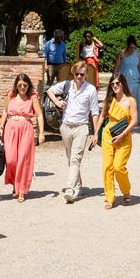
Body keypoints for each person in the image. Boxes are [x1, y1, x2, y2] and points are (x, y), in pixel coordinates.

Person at [46, 60, 99, 203]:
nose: (79, 77)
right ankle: (78, 186)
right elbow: (49, 90)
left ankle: (69, 189)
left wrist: (95, 133)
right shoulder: (66, 85)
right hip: (66, 127)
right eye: (77, 74)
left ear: (86, 74)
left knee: (75, 159)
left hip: (81, 128)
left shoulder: (91, 90)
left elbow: (94, 112)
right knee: (71, 160)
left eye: (82, 74)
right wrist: (57, 102)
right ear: (73, 73)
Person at [0, 74, 45, 203]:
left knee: (23, 159)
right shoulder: (11, 95)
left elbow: (39, 115)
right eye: (20, 85)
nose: (22, 87)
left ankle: (21, 190)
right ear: (16, 85)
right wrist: (1, 127)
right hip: (11, 128)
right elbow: (5, 112)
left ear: (28, 85)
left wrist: (41, 133)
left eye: (25, 85)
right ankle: (14, 183)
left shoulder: (32, 97)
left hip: (26, 128)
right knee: (11, 159)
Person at [94, 73, 138, 210]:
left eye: (117, 83)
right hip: (108, 134)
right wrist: (96, 133)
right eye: (112, 84)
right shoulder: (109, 100)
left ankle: (126, 190)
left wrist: (123, 134)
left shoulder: (131, 100)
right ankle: (110, 197)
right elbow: (102, 116)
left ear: (123, 84)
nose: (115, 86)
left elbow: (135, 121)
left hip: (124, 135)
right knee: (107, 166)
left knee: (119, 167)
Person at [114, 35, 140, 124]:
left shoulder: (137, 53)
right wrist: (114, 78)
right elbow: (117, 67)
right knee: (125, 100)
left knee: (138, 99)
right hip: (124, 80)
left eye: (133, 47)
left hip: (136, 80)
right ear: (128, 45)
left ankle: (137, 119)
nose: (132, 49)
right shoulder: (121, 54)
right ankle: (124, 119)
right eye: (131, 47)